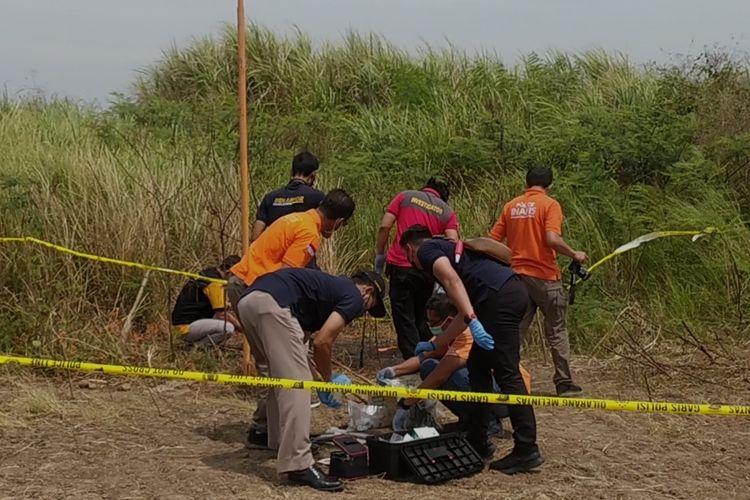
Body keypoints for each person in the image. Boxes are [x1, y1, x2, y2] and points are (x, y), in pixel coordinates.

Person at [399, 224, 543, 475]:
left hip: (501, 298)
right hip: (503, 295)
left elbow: (451, 281)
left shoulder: (427, 250)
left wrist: (474, 319)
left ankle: (526, 449)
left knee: (507, 371)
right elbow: (461, 315)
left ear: (411, 249)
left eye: (407, 255)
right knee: (478, 366)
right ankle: (478, 438)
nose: (411, 261)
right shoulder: (462, 264)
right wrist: (437, 342)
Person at [236, 268, 387, 491]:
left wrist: (319, 379)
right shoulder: (354, 297)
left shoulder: (323, 292)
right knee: (297, 386)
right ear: (368, 291)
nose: (362, 312)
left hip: (250, 301)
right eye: (369, 307)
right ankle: (298, 464)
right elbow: (322, 341)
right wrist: (327, 382)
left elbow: (301, 350)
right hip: (273, 305)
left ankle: (271, 436)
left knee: (275, 377)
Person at [226, 188, 355, 449]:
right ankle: (265, 430)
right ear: (339, 222)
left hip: (245, 283)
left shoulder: (295, 218)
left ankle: (272, 431)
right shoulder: (309, 233)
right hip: (255, 288)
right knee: (272, 364)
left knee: (273, 362)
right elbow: (287, 278)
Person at [488, 165, 587, 398]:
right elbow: (551, 238)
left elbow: (492, 240)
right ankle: (563, 382)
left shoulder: (511, 206)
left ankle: (503, 380)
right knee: (557, 330)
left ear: (527, 182)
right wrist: (574, 254)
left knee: (514, 332)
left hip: (516, 278)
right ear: (549, 185)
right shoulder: (550, 205)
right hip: (545, 278)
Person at [376, 293, 531, 433]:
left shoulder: (467, 335)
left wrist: (406, 404)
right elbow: (423, 357)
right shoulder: (448, 333)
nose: (430, 327)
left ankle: (487, 422)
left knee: (450, 374)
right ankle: (469, 420)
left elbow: (439, 376)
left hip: (506, 396)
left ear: (449, 321)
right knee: (429, 365)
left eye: (433, 322)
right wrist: (394, 370)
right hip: (491, 387)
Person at [374, 177, 459, 360]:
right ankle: (427, 353)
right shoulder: (447, 211)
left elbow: (384, 226)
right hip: (428, 268)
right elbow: (453, 241)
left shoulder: (405, 197)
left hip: (400, 264)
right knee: (423, 313)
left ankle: (412, 358)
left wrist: (380, 254)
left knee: (403, 314)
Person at [252, 151, 325, 242]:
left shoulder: (270, 197)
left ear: (292, 172)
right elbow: (326, 230)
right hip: (302, 253)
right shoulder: (317, 197)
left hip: (274, 253)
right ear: (313, 175)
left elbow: (256, 236)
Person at [170, 255, 241, 348]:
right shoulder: (215, 283)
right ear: (229, 272)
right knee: (228, 328)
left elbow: (216, 304)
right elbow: (222, 314)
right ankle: (197, 348)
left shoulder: (209, 273)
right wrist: (243, 329)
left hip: (182, 323)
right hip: (186, 327)